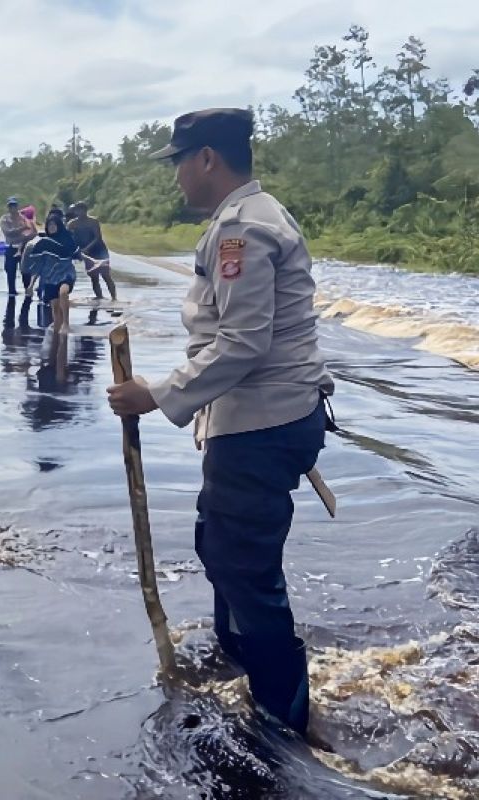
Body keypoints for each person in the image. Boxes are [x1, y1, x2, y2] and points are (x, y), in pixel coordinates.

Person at [105, 108, 335, 737]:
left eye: (180, 161)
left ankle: (284, 725)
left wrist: (155, 393)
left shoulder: (243, 231)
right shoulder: (239, 222)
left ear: (206, 157)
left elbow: (241, 343)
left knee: (246, 571)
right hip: (254, 420)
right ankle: (237, 668)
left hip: (263, 424)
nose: (177, 176)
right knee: (222, 549)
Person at [21, 214, 77, 332]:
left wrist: (94, 262)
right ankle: (57, 334)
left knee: (63, 292)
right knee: (55, 310)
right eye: (49, 225)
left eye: (54, 225)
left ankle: (66, 323)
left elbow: (79, 254)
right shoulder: (43, 243)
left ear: (59, 225)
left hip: (66, 273)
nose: (52, 227)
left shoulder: (68, 239)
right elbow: (38, 266)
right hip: (50, 277)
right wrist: (31, 284)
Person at [66, 202, 117, 301]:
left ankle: (114, 298)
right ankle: (99, 297)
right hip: (87, 252)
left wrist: (87, 248)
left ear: (85, 210)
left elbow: (97, 237)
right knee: (93, 276)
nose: (79, 212)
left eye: (81, 210)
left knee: (106, 275)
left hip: (99, 250)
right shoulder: (72, 223)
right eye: (77, 210)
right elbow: (68, 238)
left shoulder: (93, 222)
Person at [0, 197, 35, 296]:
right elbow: (8, 232)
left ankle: (28, 292)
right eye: (11, 206)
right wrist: (22, 229)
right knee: (10, 272)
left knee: (26, 272)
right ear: (8, 207)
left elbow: (32, 232)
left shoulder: (24, 218)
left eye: (14, 205)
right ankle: (12, 293)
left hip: (23, 248)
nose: (13, 208)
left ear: (17, 206)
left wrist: (26, 236)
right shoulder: (4, 219)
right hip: (10, 248)